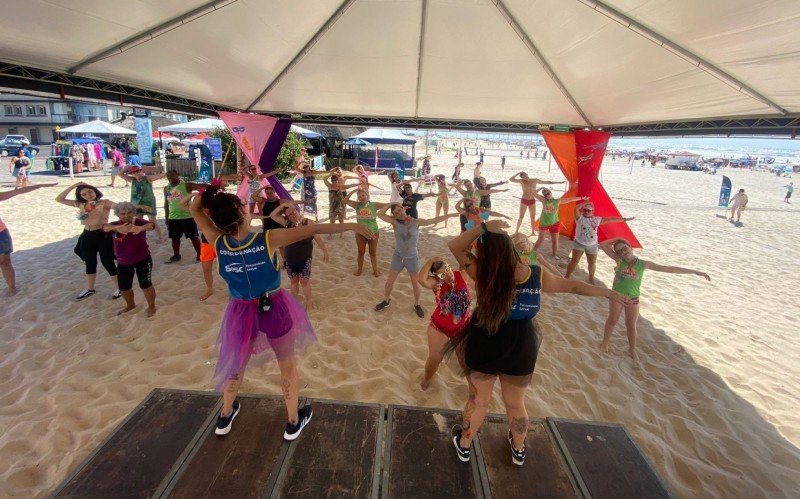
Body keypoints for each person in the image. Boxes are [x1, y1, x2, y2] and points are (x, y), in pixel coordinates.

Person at [189, 184, 374, 438]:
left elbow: (193, 208)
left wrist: (209, 193)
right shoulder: (268, 238)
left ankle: (224, 416)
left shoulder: (217, 241)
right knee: (287, 367)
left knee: (236, 365)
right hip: (273, 307)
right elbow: (315, 228)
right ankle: (292, 422)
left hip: (241, 311)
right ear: (241, 213)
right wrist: (352, 225)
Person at [447, 219, 628, 466]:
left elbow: (455, 246)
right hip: (521, 344)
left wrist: (483, 228)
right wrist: (607, 292)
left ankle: (465, 444)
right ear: (512, 250)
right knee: (515, 402)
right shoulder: (535, 274)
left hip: (486, 340)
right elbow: (573, 286)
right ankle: (519, 449)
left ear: (484, 252)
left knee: (478, 400)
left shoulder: (482, 272)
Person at [599, 238, 710, 358]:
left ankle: (632, 349)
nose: (623, 251)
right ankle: (604, 344)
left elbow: (668, 269)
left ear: (630, 247)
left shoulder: (643, 264)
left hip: (633, 298)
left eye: (624, 248)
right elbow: (603, 245)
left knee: (631, 325)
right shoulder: (619, 260)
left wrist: (695, 272)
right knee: (612, 320)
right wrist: (618, 239)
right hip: (617, 295)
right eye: (619, 250)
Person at [374, 204, 458, 317]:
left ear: (404, 208)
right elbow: (379, 214)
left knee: (416, 283)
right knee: (389, 281)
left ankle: (417, 304)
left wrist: (451, 215)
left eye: (400, 209)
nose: (399, 213)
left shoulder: (416, 222)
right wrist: (390, 204)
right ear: (394, 215)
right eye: (396, 213)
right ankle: (386, 300)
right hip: (398, 256)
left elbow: (433, 220)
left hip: (412, 258)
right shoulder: (394, 222)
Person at [55, 182, 120, 300]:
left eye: (90, 191)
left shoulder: (104, 202)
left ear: (95, 190)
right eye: (84, 194)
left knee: (107, 262)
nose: (88, 195)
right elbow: (59, 199)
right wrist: (72, 186)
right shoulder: (80, 204)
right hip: (87, 235)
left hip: (102, 234)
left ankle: (120, 288)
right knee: (90, 262)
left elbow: (119, 207)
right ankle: (90, 289)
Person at [418, 257, 472, 389]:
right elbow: (421, 280)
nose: (447, 274)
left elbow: (481, 266)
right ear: (437, 276)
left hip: (462, 327)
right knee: (435, 359)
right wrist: (431, 261)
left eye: (447, 269)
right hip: (439, 327)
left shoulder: (463, 275)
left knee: (465, 360)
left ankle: (473, 386)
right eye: (442, 274)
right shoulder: (437, 283)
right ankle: (427, 379)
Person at [269, 203, 329, 310]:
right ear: (287, 217)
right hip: (290, 259)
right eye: (289, 214)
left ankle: (309, 302)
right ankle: (294, 302)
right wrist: (282, 206)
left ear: (298, 211)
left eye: (293, 212)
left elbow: (317, 237)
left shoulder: (308, 222)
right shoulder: (287, 223)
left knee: (304, 282)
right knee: (294, 282)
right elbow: (273, 215)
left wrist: (324, 250)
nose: (292, 215)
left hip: (304, 259)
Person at [0, 183, 57, 295]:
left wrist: (40, 185)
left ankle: (12, 288)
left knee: (5, 262)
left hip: (1, 233)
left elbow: (18, 192)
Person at [103, 202, 157, 316]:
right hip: (123, 262)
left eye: (129, 212)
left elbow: (151, 225)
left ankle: (152, 306)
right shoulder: (115, 225)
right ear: (117, 214)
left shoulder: (139, 222)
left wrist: (140, 228)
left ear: (134, 212)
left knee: (146, 285)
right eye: (122, 213)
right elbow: (104, 227)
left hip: (143, 259)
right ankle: (130, 305)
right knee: (124, 287)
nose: (126, 215)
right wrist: (117, 228)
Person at [564, 201, 634, 284]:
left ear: (592, 211)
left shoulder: (596, 219)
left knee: (592, 263)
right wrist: (586, 202)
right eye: (584, 210)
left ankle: (591, 279)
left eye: (588, 210)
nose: (586, 212)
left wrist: (624, 219)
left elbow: (610, 219)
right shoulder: (580, 218)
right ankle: (567, 276)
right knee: (574, 261)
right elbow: (576, 208)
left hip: (592, 245)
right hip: (579, 243)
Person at [532, 188, 587, 258]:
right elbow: (534, 193)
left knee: (555, 241)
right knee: (540, 240)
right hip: (544, 224)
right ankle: (532, 252)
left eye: (548, 193)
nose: (547, 195)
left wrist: (582, 198)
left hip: (555, 224)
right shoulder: (544, 200)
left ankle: (554, 254)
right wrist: (541, 188)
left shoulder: (557, 201)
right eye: (545, 194)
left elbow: (570, 199)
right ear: (544, 196)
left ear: (551, 193)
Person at [345, 189, 387, 277]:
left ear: (367, 195)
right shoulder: (357, 205)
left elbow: (388, 205)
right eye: (359, 197)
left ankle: (375, 270)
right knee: (361, 252)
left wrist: (399, 205)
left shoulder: (374, 205)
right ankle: (359, 270)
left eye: (363, 195)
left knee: (373, 252)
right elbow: (345, 200)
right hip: (360, 233)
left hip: (373, 232)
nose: (361, 198)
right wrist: (354, 191)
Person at [162, 170, 201, 263]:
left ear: (178, 175)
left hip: (188, 217)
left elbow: (202, 186)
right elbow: (166, 204)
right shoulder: (166, 188)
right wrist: (167, 218)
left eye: (172, 175)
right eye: (168, 176)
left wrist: (216, 185)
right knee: (175, 238)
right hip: (173, 218)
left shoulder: (187, 185)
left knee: (194, 237)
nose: (170, 177)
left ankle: (200, 255)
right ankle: (176, 256)